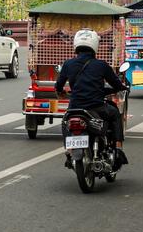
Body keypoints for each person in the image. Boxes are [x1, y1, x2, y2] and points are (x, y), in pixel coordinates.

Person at [54, 29, 129, 170]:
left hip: (74, 108)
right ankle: (118, 149)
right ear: (95, 46)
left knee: (65, 123)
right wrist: (122, 87)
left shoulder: (68, 64)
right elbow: (117, 85)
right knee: (115, 114)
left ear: (76, 45)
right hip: (97, 108)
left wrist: (61, 92)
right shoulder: (101, 65)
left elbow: (58, 86)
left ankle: (69, 152)